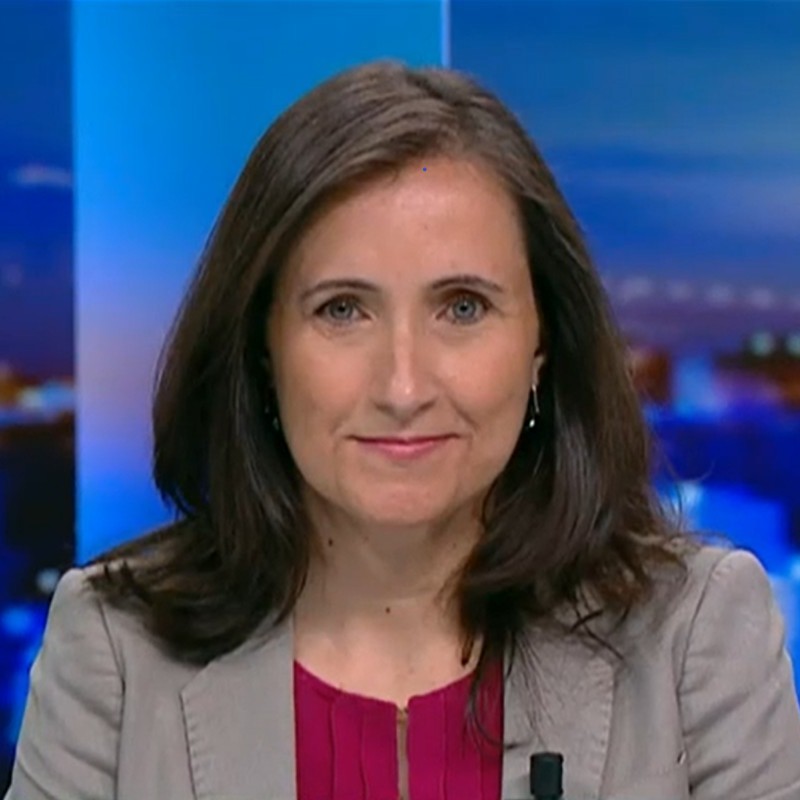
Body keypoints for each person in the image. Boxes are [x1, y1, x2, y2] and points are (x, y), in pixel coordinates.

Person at [5, 59, 800, 800]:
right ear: (261, 350)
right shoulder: (114, 651)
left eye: (463, 307)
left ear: (543, 347)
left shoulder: (694, 638)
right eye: (342, 310)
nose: (404, 387)